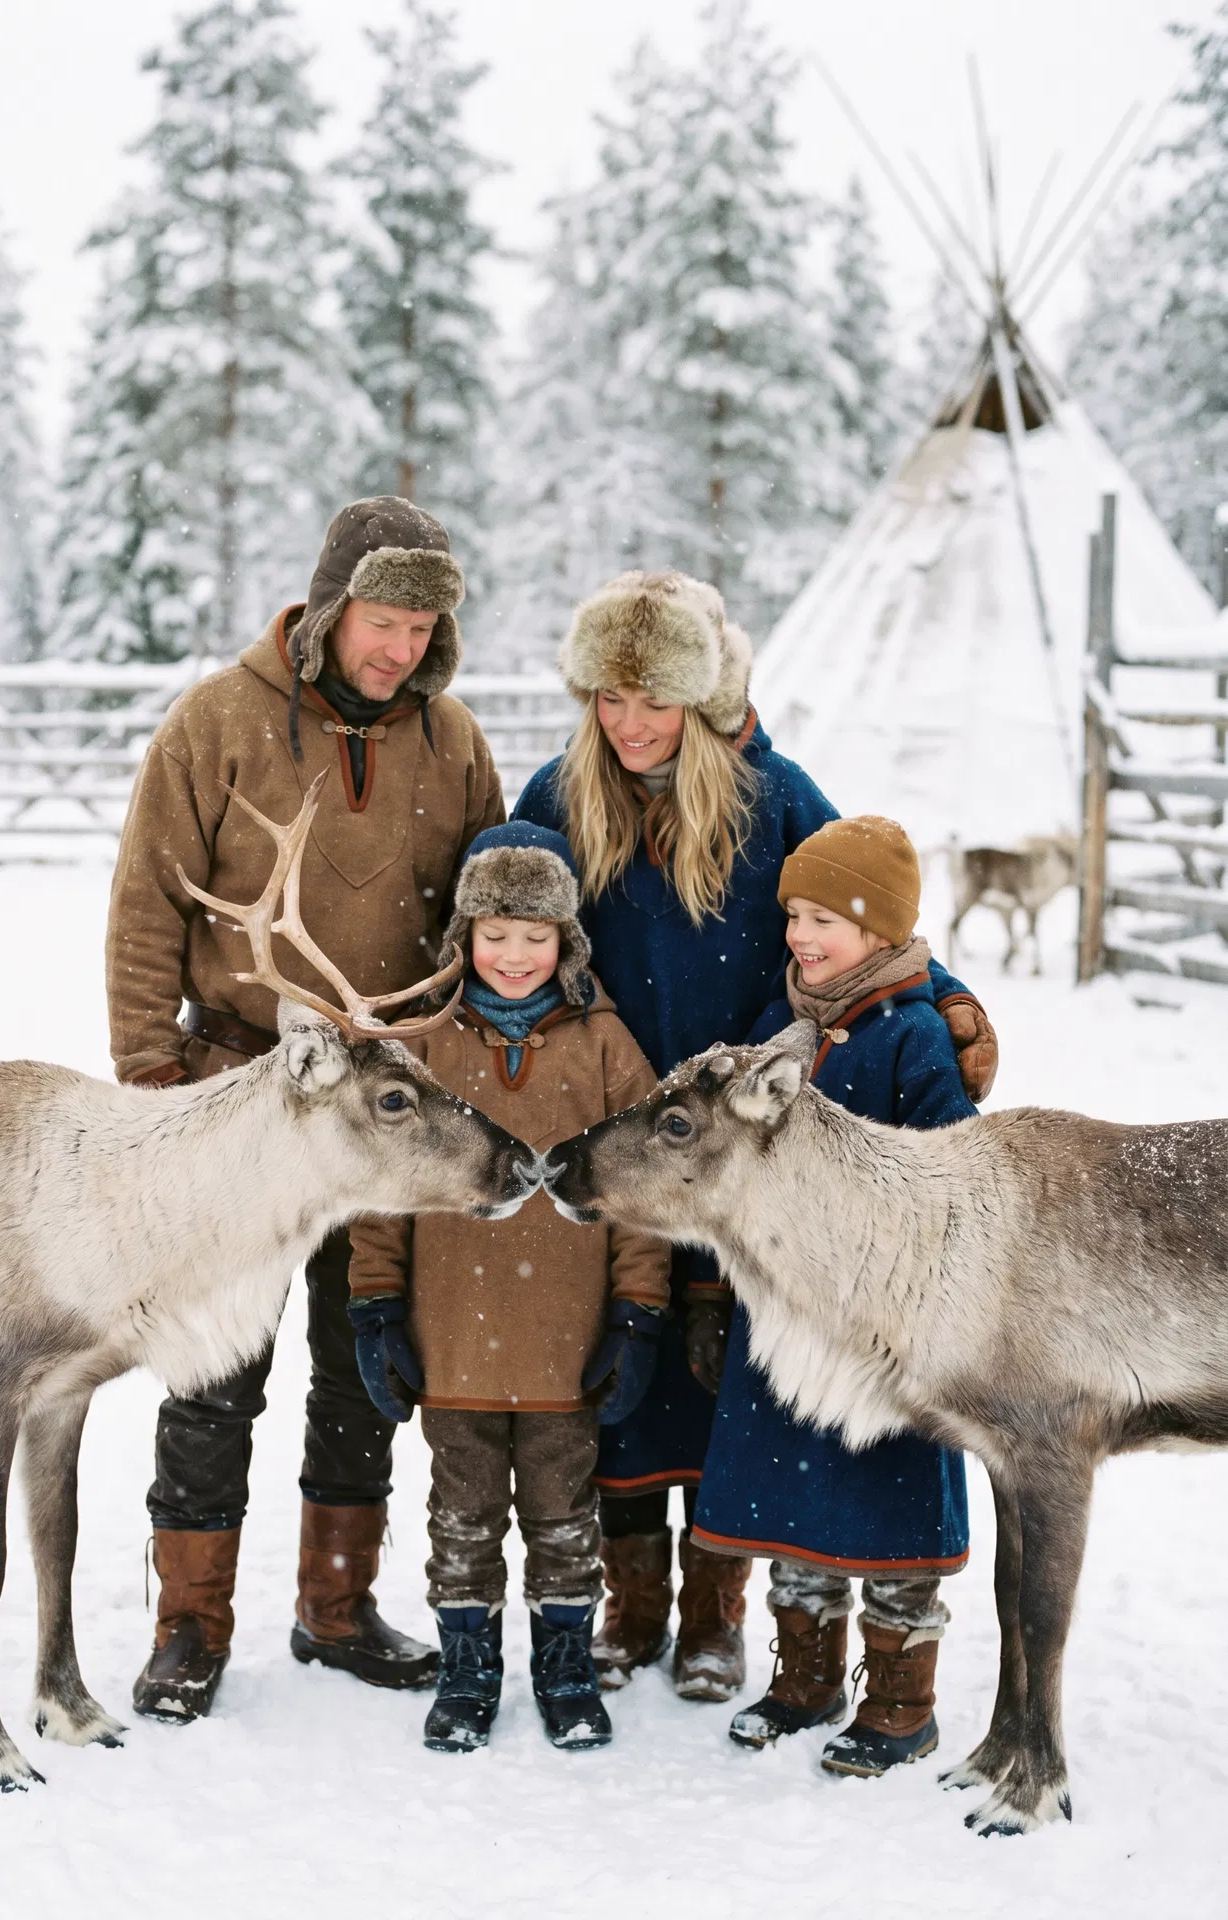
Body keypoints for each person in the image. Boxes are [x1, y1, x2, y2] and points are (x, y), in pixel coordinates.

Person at [513, 570, 997, 1703]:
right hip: (617, 1135)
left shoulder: (769, 793)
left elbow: (864, 914)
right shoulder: (558, 792)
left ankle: (714, 1614)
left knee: (730, 1375)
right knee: (625, 1376)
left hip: (746, 1146)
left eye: (654, 702)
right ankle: (633, 1604)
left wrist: (951, 999)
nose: (630, 725)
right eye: (610, 700)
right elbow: (503, 907)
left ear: (699, 699)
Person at [105, 496, 504, 1721]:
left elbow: (490, 908)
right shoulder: (217, 723)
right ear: (333, 608)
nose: (401, 648)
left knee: (362, 1360)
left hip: (387, 1108)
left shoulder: (452, 741)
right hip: (238, 1091)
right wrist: (149, 1075)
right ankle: (190, 1622)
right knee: (215, 1367)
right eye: (384, 622)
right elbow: (143, 910)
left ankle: (336, 1605)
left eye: (423, 625)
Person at [347, 822, 672, 1753]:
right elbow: (383, 1193)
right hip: (450, 1336)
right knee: (461, 1510)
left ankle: (565, 1663)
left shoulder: (608, 1047)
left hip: (569, 1343)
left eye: (537, 936)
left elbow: (643, 1192)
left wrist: (638, 1314)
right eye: (496, 933)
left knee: (567, 1512)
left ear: (568, 941)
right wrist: (376, 1308)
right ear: (463, 938)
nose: (516, 955)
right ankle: (467, 1663)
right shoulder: (424, 1048)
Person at [692, 815, 973, 1776]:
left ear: (883, 932)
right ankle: (805, 1676)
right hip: (791, 1321)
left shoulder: (914, 1037)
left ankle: (901, 1699)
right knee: (794, 1498)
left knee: (893, 1506)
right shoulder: (788, 1032)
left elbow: (953, 1171)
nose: (805, 937)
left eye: (831, 920)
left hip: (887, 1330)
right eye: (798, 916)